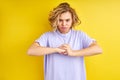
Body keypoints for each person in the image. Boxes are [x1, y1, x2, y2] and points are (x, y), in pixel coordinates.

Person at [27, 2, 102, 80]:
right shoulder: (47, 36)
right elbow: (31, 51)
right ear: (56, 20)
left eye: (67, 20)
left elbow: (98, 49)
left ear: (72, 20)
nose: (64, 24)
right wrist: (56, 49)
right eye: (60, 20)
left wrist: (73, 53)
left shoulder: (80, 35)